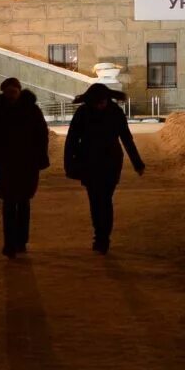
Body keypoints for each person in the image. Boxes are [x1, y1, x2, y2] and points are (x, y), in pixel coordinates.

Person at [62, 83, 145, 254]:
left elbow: (126, 138)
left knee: (105, 199)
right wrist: (69, 164)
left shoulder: (115, 112)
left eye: (103, 101)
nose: (101, 105)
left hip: (111, 162)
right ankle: (99, 235)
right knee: (95, 200)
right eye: (98, 102)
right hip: (89, 162)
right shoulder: (83, 113)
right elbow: (71, 140)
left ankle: (103, 237)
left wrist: (138, 163)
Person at [0, 78, 49, 258]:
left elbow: (42, 134)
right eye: (8, 91)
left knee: (23, 202)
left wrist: (40, 156)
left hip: (27, 163)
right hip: (7, 164)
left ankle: (20, 240)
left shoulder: (31, 110)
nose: (11, 94)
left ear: (19, 91)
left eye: (14, 91)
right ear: (4, 92)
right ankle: (10, 243)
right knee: (9, 203)